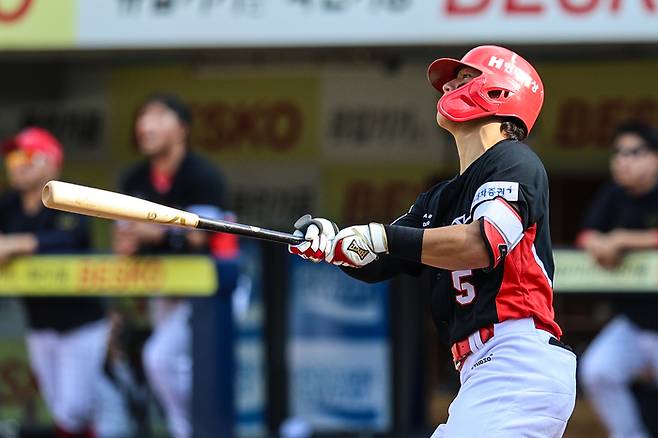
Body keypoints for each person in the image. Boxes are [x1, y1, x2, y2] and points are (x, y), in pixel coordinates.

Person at [289, 45, 576, 436]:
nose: (450, 87)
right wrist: (330, 244)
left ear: (500, 92)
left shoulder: (515, 161)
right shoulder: (440, 198)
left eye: (464, 78)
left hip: (517, 360)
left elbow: (482, 243)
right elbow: (377, 261)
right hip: (485, 371)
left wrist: (380, 236)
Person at [112, 93, 229, 438]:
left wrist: (151, 232)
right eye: (142, 117)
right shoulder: (135, 178)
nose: (145, 125)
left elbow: (200, 238)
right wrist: (144, 237)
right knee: (166, 365)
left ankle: (197, 430)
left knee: (163, 359)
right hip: (163, 287)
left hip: (211, 288)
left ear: (181, 129)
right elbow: (123, 243)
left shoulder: (202, 174)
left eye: (158, 117)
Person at [0, 127, 108, 438]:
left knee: (71, 410)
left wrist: (15, 244)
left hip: (82, 324)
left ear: (51, 163)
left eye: (26, 156)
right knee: (61, 408)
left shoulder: (69, 198)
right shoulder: (8, 206)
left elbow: (67, 239)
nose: (16, 164)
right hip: (39, 324)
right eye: (12, 157)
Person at [577, 121, 658, 438]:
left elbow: (621, 238)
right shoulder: (613, 194)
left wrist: (623, 239)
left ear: (654, 158)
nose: (623, 160)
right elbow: (586, 234)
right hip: (634, 322)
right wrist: (598, 244)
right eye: (618, 153)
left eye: (634, 152)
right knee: (598, 370)